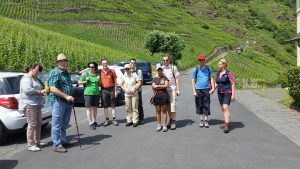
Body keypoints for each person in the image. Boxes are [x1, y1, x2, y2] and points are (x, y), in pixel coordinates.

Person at [48, 53, 74, 153]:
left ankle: (63, 141)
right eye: (60, 61)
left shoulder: (66, 73)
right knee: (57, 124)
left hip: (67, 102)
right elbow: (53, 88)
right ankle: (57, 144)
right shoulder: (54, 72)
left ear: (66, 62)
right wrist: (66, 96)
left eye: (64, 61)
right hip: (58, 101)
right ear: (58, 62)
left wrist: (70, 96)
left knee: (64, 123)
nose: (63, 62)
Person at [19, 64, 46, 152]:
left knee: (38, 123)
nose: (39, 72)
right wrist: (40, 92)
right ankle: (31, 145)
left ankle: (37, 142)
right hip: (29, 104)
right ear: (31, 68)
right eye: (38, 70)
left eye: (40, 71)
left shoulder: (33, 78)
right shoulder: (26, 78)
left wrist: (43, 92)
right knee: (32, 124)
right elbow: (27, 90)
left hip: (36, 104)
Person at [191, 55, 215, 128]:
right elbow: (193, 80)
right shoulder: (196, 69)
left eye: (202, 60)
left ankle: (206, 120)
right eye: (199, 60)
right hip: (198, 89)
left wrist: (213, 88)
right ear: (198, 61)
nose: (201, 62)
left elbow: (211, 78)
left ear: (204, 60)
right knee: (199, 104)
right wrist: (194, 91)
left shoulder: (208, 68)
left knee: (206, 104)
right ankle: (201, 120)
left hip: (206, 89)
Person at [215, 59, 235, 133]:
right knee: (222, 108)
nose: (218, 65)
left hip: (227, 92)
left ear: (224, 65)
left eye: (219, 64)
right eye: (218, 64)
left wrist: (233, 94)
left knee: (225, 107)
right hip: (219, 92)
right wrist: (212, 90)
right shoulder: (217, 73)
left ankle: (227, 125)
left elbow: (232, 84)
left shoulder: (229, 73)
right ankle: (225, 122)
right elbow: (217, 83)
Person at [78, 62, 100, 130]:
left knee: (95, 108)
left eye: (92, 67)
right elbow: (79, 82)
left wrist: (99, 84)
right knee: (89, 108)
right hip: (88, 93)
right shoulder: (86, 74)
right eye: (89, 67)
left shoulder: (97, 75)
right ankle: (90, 123)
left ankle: (94, 121)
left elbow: (99, 84)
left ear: (95, 67)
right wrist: (85, 81)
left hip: (96, 93)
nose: (91, 68)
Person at [161, 53, 180, 130]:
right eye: (164, 60)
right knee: (167, 107)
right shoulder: (161, 68)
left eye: (166, 60)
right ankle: (170, 120)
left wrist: (178, 89)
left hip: (172, 89)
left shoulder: (173, 68)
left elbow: (177, 79)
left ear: (169, 60)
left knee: (173, 106)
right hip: (164, 90)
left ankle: (173, 121)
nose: (165, 61)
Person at [99, 59, 119, 127]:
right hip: (103, 90)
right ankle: (107, 120)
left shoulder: (112, 71)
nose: (105, 64)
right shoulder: (99, 72)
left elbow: (115, 82)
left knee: (113, 105)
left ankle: (114, 119)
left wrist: (116, 91)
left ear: (107, 63)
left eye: (106, 63)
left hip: (111, 89)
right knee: (105, 105)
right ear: (102, 64)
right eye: (103, 63)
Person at [152, 67, 169, 132]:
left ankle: (164, 125)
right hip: (157, 96)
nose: (160, 71)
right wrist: (161, 85)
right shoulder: (154, 79)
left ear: (162, 71)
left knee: (164, 111)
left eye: (161, 70)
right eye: (158, 70)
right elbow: (153, 86)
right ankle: (159, 125)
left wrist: (158, 86)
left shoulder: (165, 78)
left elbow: (166, 85)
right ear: (157, 71)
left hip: (164, 96)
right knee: (158, 111)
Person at [130, 58, 144, 125]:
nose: (133, 64)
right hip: (130, 91)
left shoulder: (139, 71)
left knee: (139, 104)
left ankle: (141, 118)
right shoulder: (128, 70)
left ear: (135, 64)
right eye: (131, 63)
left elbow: (140, 82)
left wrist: (135, 89)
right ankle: (134, 119)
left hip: (138, 90)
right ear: (130, 63)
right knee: (131, 105)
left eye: (134, 63)